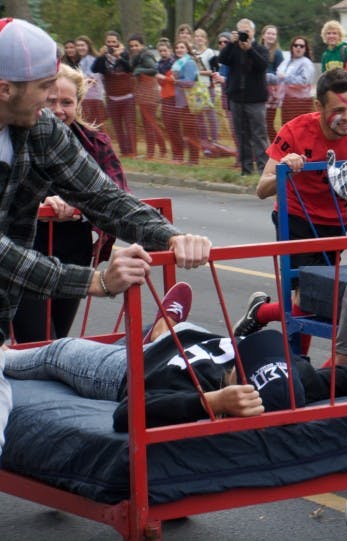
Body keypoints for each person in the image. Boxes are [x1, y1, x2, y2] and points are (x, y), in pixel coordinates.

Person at [0, 18, 212, 460]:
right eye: (44, 88)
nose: (51, 102)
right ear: (5, 89)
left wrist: (170, 236)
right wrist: (94, 281)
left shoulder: (39, 130)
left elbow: (103, 197)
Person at [3, 283, 347, 433]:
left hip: (131, 369)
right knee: (179, 333)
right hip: (194, 337)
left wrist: (210, 402)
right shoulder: (302, 374)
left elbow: (127, 416)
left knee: (60, 350)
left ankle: (3, 355)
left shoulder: (203, 389)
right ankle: (163, 326)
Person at [235, 69, 347, 353]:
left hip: (337, 222)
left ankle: (261, 312)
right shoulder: (296, 130)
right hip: (296, 218)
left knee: (324, 296)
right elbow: (262, 188)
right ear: (319, 107)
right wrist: (284, 168)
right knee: (308, 294)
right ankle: (298, 361)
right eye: (338, 110)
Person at [11, 64, 131, 343]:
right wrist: (39, 204)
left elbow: (117, 193)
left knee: (59, 341)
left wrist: (79, 205)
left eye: (66, 102)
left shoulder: (95, 142)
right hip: (25, 250)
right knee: (38, 341)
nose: (58, 110)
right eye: (50, 101)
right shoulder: (15, 137)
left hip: (74, 251)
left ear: (78, 103)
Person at [218, 18, 270, 176]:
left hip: (256, 99)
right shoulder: (233, 48)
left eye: (247, 31)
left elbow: (262, 65)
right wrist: (231, 44)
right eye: (241, 31)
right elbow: (222, 59)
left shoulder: (260, 49)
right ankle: (246, 169)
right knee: (242, 135)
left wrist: (249, 49)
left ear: (253, 32)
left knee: (259, 135)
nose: (244, 34)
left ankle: (263, 169)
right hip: (237, 98)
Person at [92, 30, 136, 157]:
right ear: (105, 43)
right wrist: (100, 56)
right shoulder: (104, 56)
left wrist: (119, 56)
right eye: (109, 42)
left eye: (114, 42)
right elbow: (95, 69)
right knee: (117, 126)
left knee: (129, 125)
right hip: (112, 97)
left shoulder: (125, 54)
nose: (111, 44)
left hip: (127, 97)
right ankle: (124, 151)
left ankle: (132, 151)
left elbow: (130, 68)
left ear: (118, 43)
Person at [128, 34, 167, 160]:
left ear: (142, 45)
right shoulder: (138, 56)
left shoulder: (146, 55)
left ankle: (151, 152)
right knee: (150, 123)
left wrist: (139, 70)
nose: (134, 48)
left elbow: (154, 69)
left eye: (136, 45)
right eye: (131, 46)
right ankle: (162, 149)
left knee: (149, 123)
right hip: (144, 93)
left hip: (149, 93)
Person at [169, 40, 203, 165]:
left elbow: (190, 82)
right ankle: (191, 158)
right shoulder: (178, 63)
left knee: (191, 130)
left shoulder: (189, 62)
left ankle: (194, 159)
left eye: (182, 47)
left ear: (187, 49)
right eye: (177, 47)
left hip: (190, 102)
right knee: (187, 130)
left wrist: (176, 81)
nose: (179, 49)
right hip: (182, 102)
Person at [275, 35, 315, 126]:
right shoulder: (286, 61)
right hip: (287, 101)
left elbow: (304, 82)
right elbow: (278, 75)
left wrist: (286, 77)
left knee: (300, 129)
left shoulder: (306, 63)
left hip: (301, 103)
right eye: (295, 45)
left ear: (305, 49)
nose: (298, 48)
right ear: (292, 47)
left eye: (301, 46)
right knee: (287, 128)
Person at [75, 35, 108, 128]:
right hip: (88, 96)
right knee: (93, 125)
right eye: (78, 45)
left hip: (92, 97)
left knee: (95, 126)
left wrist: (77, 79)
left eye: (82, 45)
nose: (80, 48)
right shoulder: (83, 60)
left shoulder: (90, 59)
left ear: (88, 46)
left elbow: (93, 78)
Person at [260, 24, 285, 142]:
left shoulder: (278, 53)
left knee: (268, 123)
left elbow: (280, 73)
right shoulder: (257, 50)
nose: (271, 36)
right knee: (259, 123)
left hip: (272, 93)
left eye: (273, 34)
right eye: (269, 33)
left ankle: (277, 145)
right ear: (263, 35)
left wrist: (269, 77)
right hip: (257, 90)